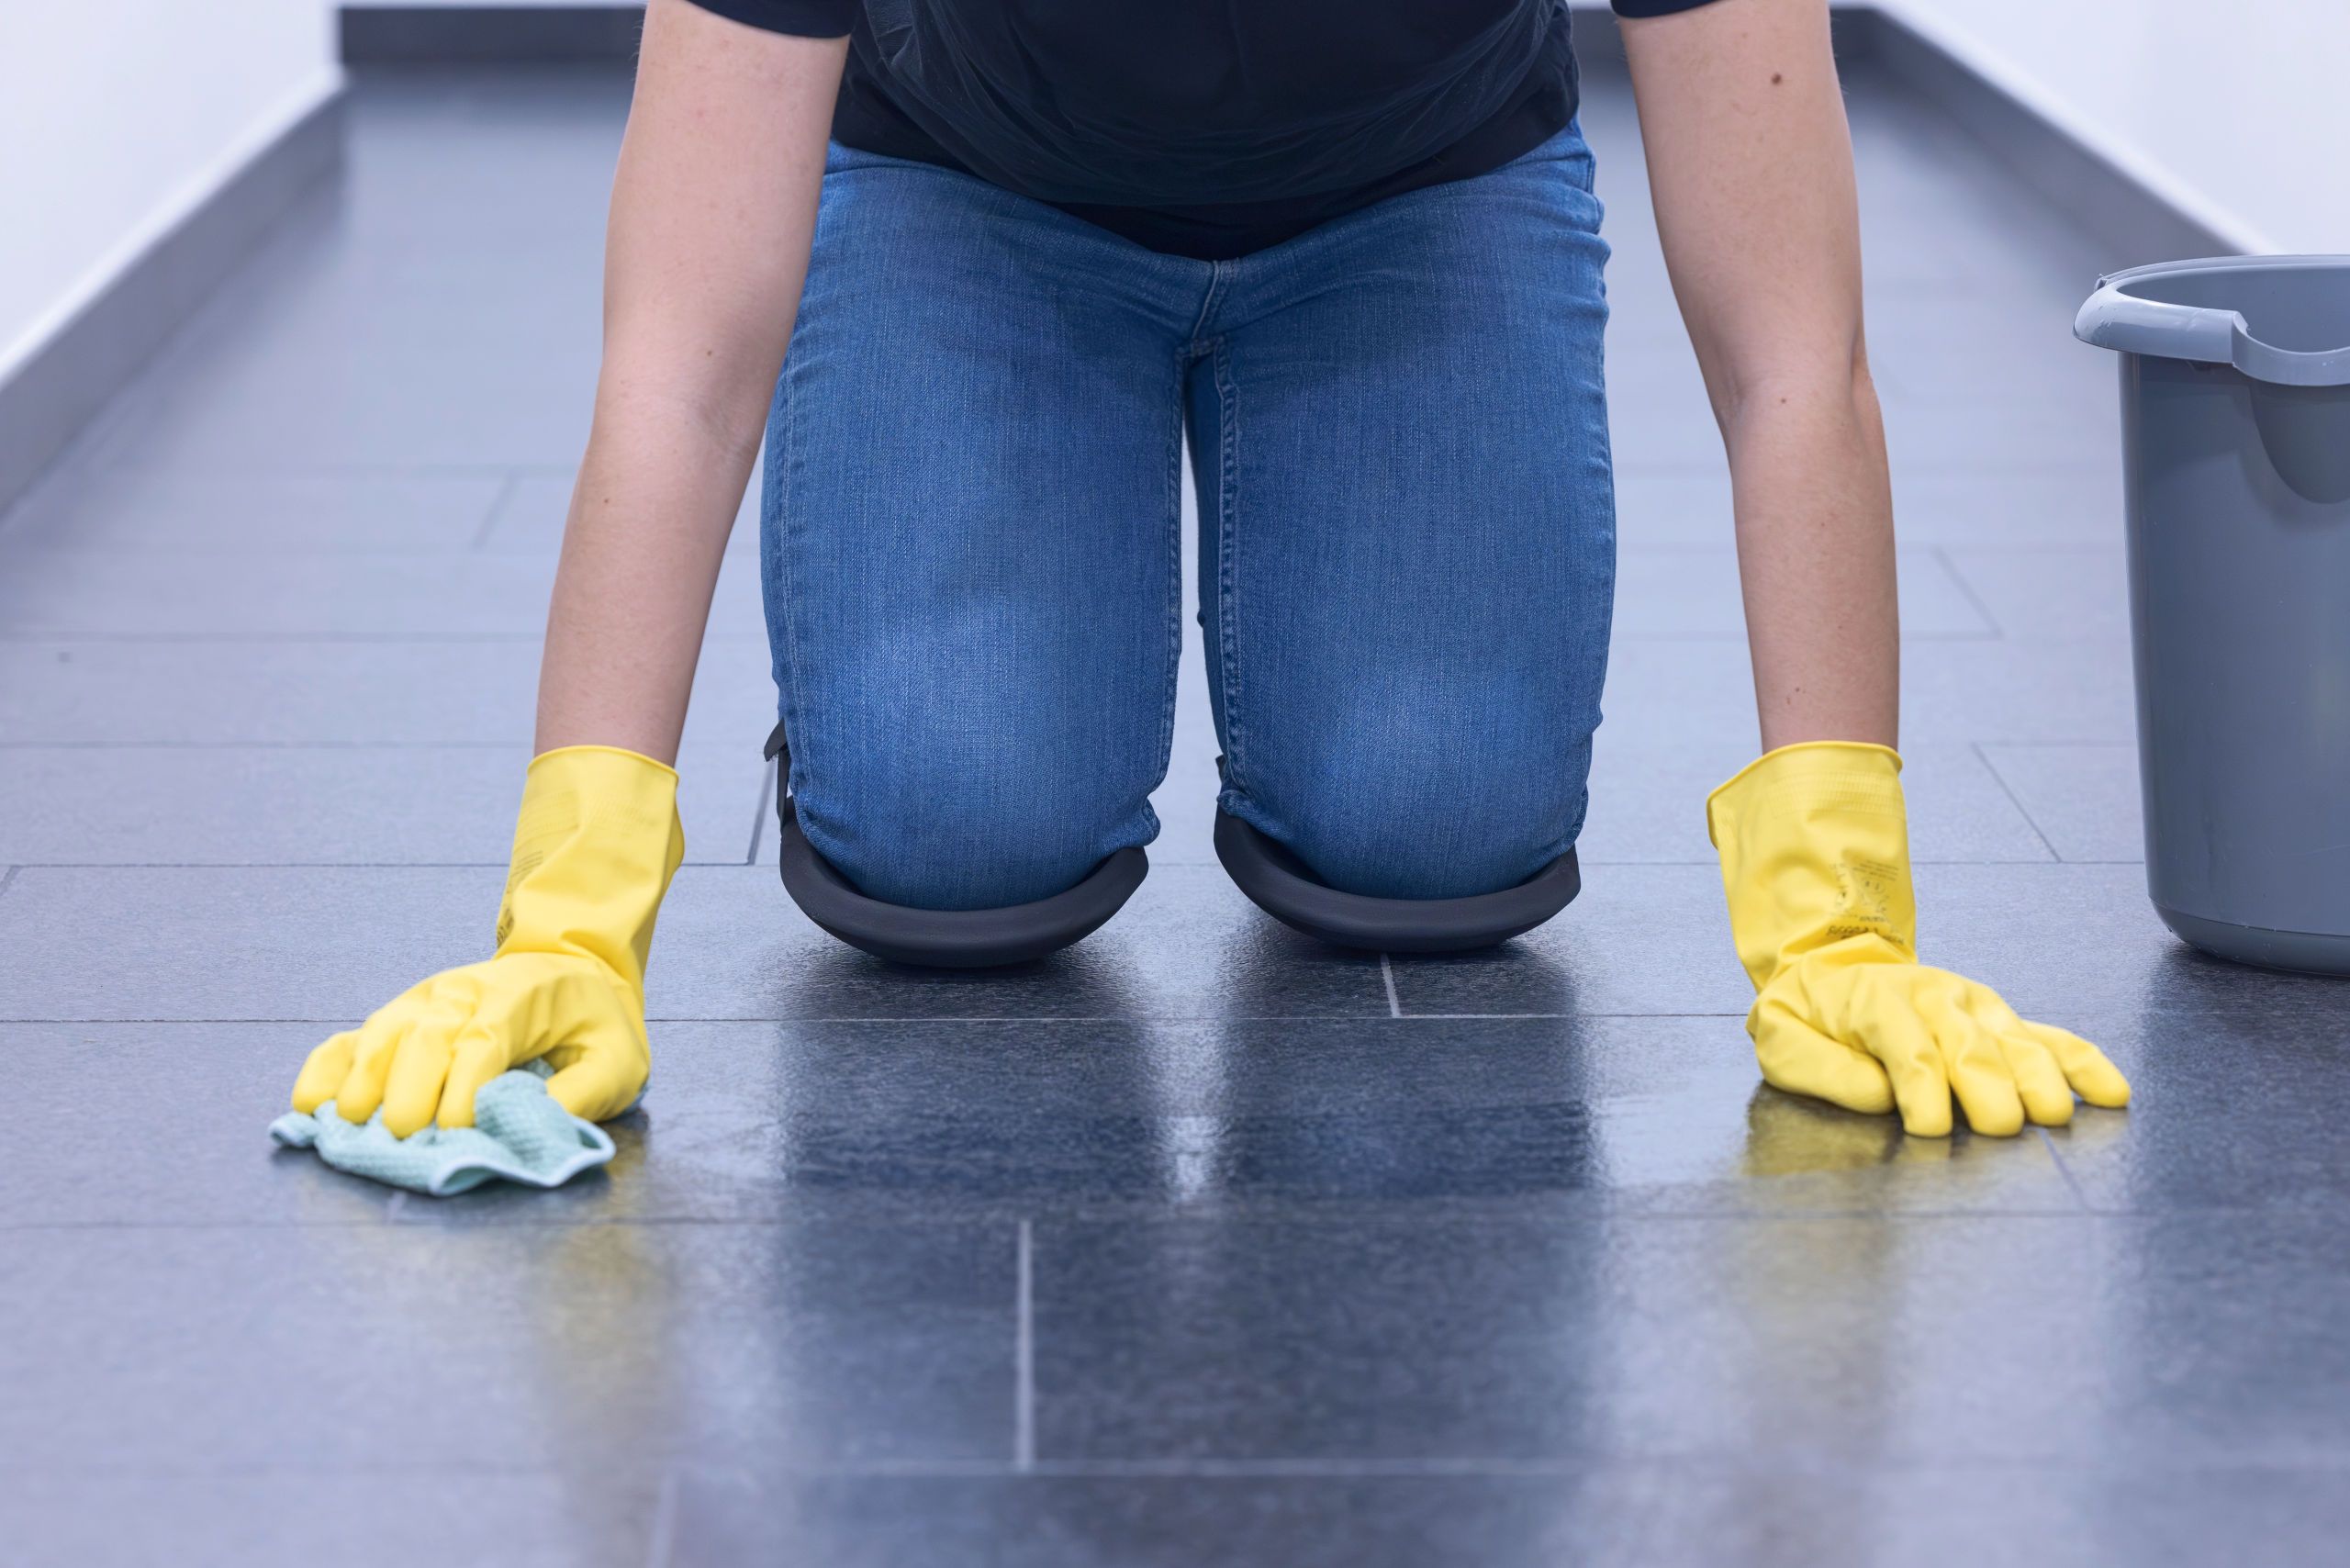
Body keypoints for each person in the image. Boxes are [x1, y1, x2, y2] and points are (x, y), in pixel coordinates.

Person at [290, 0, 2131, 1147]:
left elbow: (1789, 345)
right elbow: (681, 356)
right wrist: (570, 907)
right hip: (975, 201)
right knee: (949, 820)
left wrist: (1838, 909)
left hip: (1416, 202)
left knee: (1435, 821)